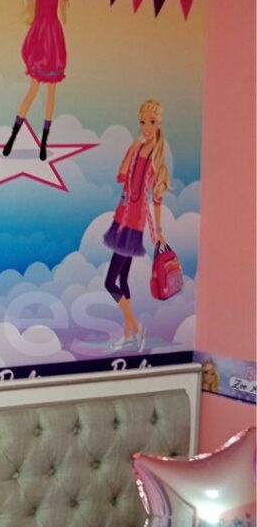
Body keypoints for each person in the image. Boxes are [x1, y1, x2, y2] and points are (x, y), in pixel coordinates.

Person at [101, 99, 170, 351]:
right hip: (122, 217)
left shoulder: (156, 159)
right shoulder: (137, 148)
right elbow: (121, 175)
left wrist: (158, 231)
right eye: (142, 122)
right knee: (122, 278)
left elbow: (157, 199)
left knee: (110, 282)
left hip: (133, 224)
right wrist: (131, 150)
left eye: (151, 122)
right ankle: (129, 334)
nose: (146, 127)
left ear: (159, 123)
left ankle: (136, 328)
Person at [1, 0, 72, 161]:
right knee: (33, 89)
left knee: (51, 92)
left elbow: (64, 19)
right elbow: (30, 9)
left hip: (54, 36)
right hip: (40, 34)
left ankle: (44, 141)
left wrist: (65, 2)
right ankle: (13, 135)